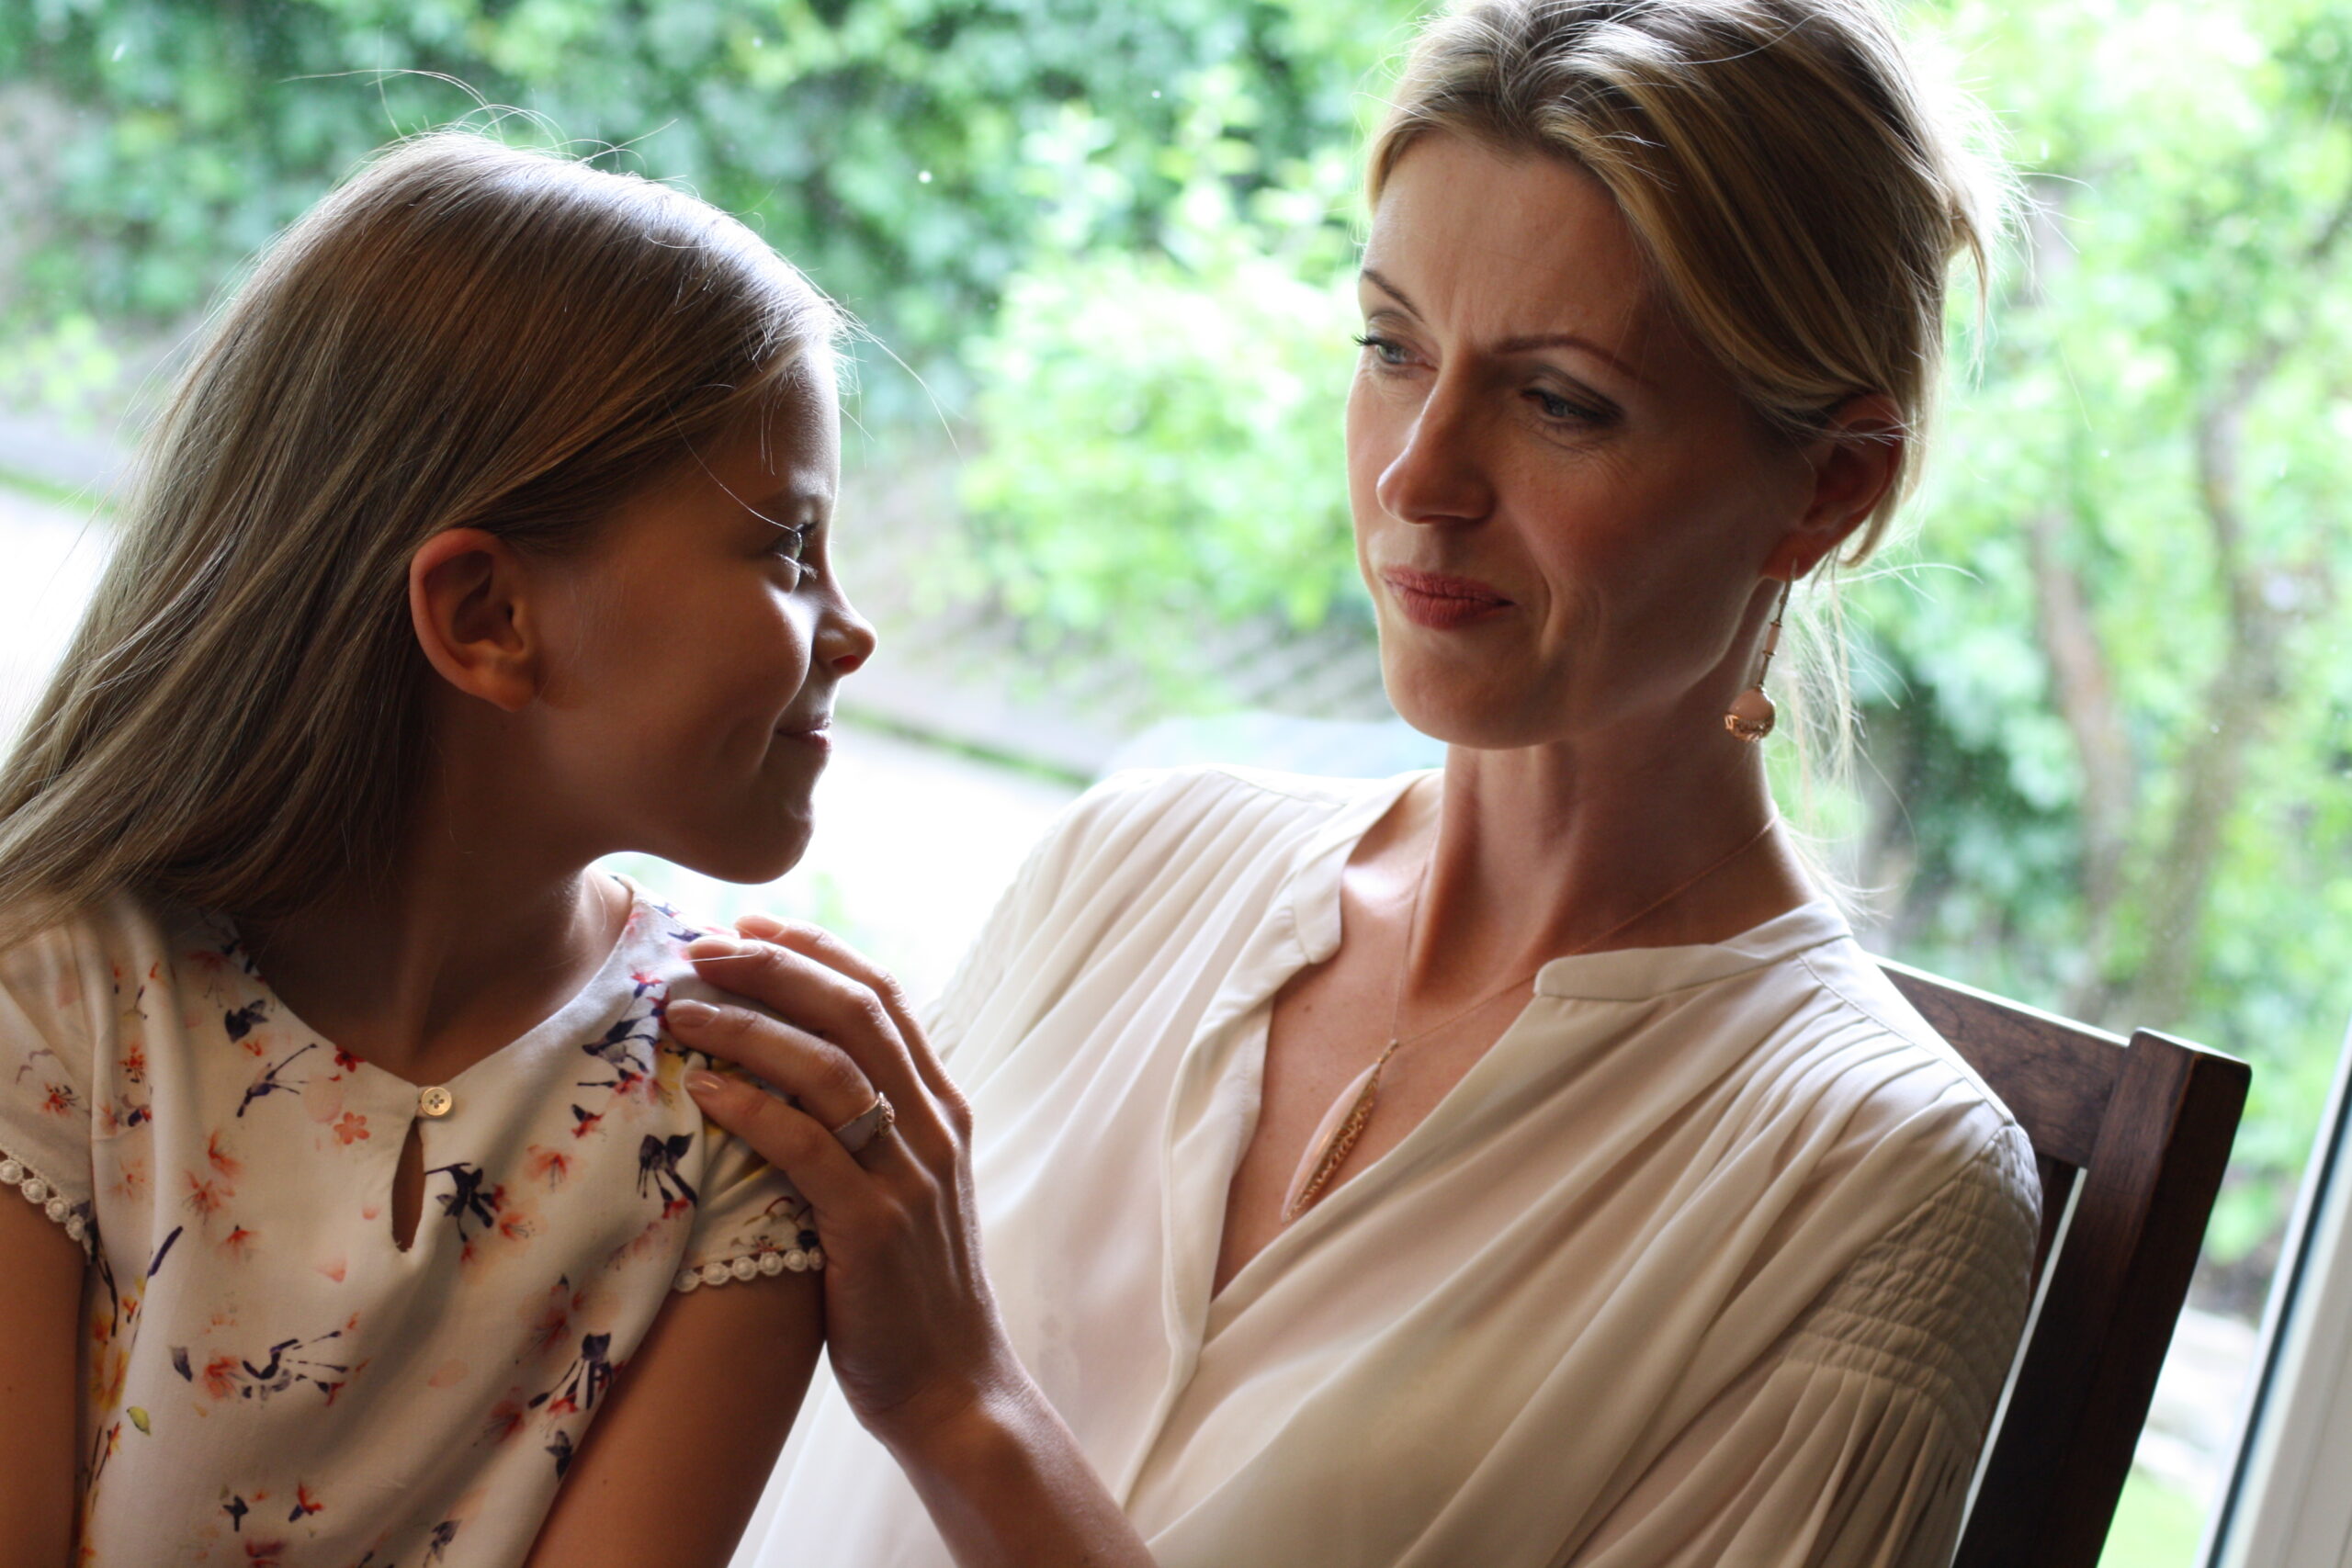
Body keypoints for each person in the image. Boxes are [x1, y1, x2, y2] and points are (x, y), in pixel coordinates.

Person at [678, 1, 2044, 1564]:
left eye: (1560, 400)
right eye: (1391, 349)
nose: (1418, 476)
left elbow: (927, 1394)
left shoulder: (1872, 1187)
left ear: (1828, 485)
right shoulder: (1136, 862)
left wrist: (962, 1408)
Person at [0, 132, 886, 1565]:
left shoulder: (735, 1117)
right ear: (486, 617)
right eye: (788, 548)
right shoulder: (43, 1002)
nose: (851, 630)